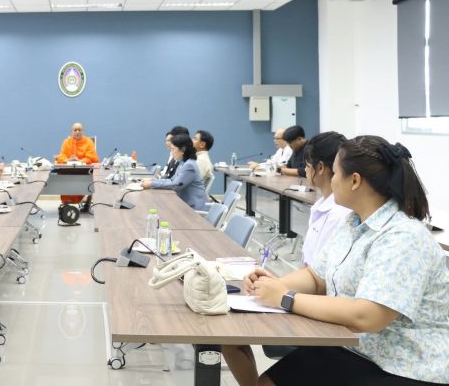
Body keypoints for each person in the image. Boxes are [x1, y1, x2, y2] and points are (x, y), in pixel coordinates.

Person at [246, 136, 448, 386]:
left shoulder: (403, 236)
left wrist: (286, 298)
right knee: (268, 382)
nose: (331, 180)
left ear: (354, 181)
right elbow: (316, 276)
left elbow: (369, 316)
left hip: (405, 365)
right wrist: (271, 286)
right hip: (356, 348)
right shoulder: (353, 222)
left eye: (335, 173)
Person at [223, 131, 351, 386]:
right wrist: (275, 283)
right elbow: (313, 272)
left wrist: (281, 291)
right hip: (306, 294)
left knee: (230, 333)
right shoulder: (323, 206)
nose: (304, 169)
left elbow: (325, 281)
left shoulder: (339, 216)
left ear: (320, 168)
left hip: (316, 306)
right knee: (229, 333)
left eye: (306, 164)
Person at [142, 134, 207, 210]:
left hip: (192, 208)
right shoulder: (183, 162)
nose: (171, 153)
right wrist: (152, 180)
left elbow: (175, 185)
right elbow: (172, 180)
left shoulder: (189, 165)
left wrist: (151, 184)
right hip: (183, 204)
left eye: (173, 149)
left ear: (183, 149)